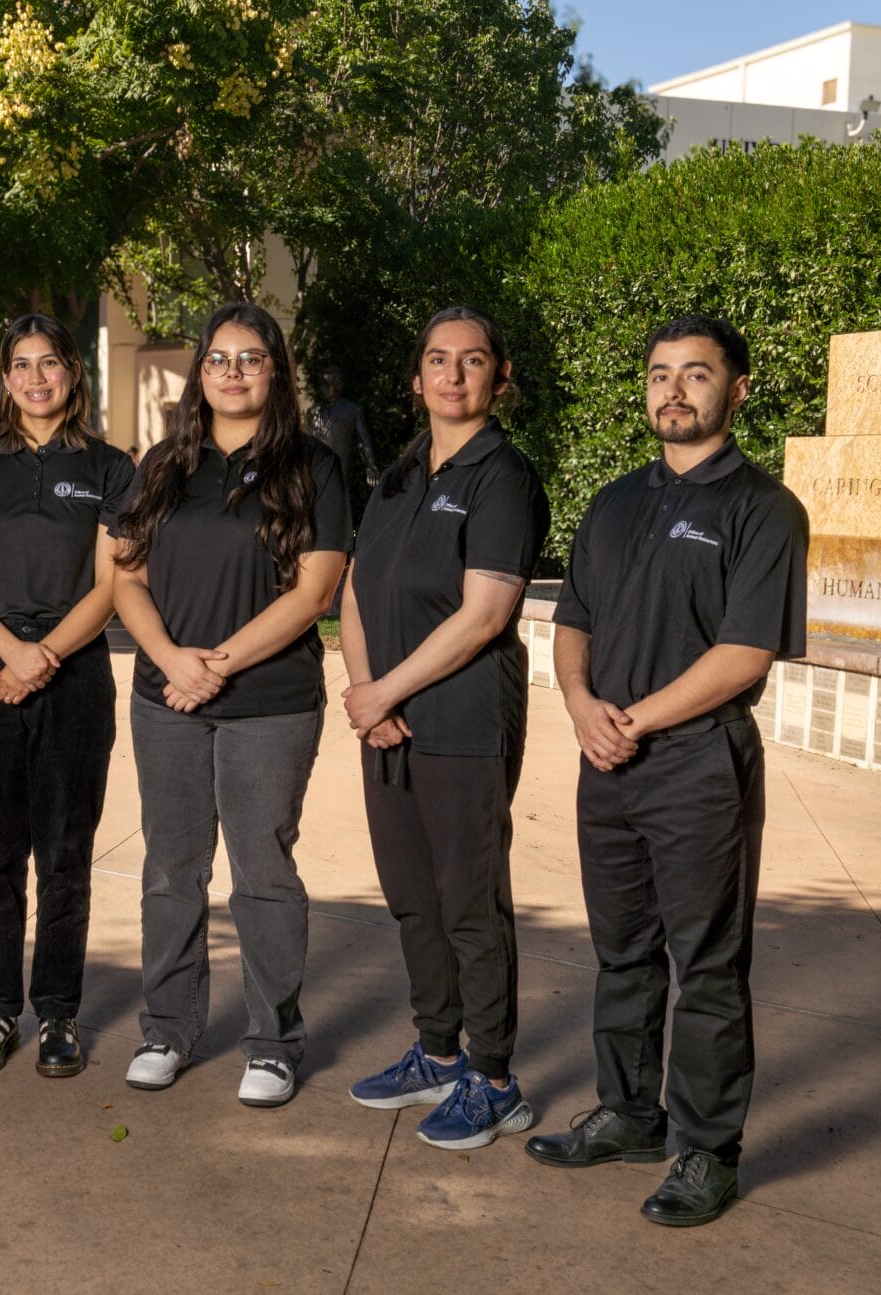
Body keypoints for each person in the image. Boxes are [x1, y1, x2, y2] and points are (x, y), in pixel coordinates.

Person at [525, 315, 808, 1228]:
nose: (673, 390)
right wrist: (578, 704)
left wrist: (630, 720)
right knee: (621, 951)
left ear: (739, 389)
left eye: (696, 374)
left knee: (710, 966)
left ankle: (707, 1150)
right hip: (606, 759)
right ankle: (630, 1112)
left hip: (697, 766)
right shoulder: (612, 502)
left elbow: (746, 653)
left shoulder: (762, 508)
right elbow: (574, 621)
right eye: (659, 374)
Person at [110, 303, 350, 1108]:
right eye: (220, 359)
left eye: (252, 359)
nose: (234, 372)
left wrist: (216, 665)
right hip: (164, 696)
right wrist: (173, 659)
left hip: (270, 704)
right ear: (200, 371)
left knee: (262, 872)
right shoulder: (163, 464)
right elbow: (127, 576)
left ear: (275, 371)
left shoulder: (314, 464)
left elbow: (314, 590)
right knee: (172, 868)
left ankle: (273, 1043)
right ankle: (166, 1029)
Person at [339, 307, 550, 1150]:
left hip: (461, 721)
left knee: (469, 902)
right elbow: (356, 590)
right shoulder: (397, 474)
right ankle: (435, 1050)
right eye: (437, 359)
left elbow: (485, 613)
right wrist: (365, 691)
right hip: (385, 721)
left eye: (472, 361)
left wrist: (384, 688)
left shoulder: (505, 476)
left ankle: (494, 1077)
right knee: (412, 898)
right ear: (416, 378)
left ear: (501, 380)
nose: (452, 374)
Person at [0, 314, 133, 1078]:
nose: (35, 378)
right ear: (4, 379)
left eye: (48, 363)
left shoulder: (111, 467)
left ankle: (58, 1014)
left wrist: (46, 654)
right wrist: (13, 652)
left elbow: (112, 584)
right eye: (20, 366)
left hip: (76, 670)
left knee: (65, 854)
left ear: (72, 373)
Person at [308, 365, 379, 486]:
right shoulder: (314, 411)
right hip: (315, 473)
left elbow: (363, 441)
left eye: (326, 384)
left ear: (338, 385)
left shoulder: (352, 410)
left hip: (340, 473)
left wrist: (370, 466)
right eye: (321, 384)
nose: (322, 388)